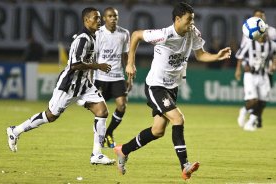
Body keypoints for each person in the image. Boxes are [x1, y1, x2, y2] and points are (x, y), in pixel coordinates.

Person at [113, 2, 231, 180]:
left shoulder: (193, 33)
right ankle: (185, 166)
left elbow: (200, 55)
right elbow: (136, 35)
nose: (191, 23)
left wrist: (216, 56)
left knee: (157, 130)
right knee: (178, 118)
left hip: (171, 87)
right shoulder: (164, 34)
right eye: (188, 19)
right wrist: (130, 63)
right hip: (156, 86)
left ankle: (124, 150)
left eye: (192, 19)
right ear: (177, 19)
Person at [6, 7, 116, 165]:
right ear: (86, 20)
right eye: (95, 18)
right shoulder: (82, 39)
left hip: (84, 85)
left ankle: (96, 155)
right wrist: (97, 66)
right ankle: (15, 131)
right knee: (51, 115)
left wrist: (93, 79)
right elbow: (74, 64)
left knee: (102, 111)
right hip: (69, 85)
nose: (99, 21)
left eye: (99, 18)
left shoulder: (94, 36)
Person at [78, 7, 132, 148]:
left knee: (122, 105)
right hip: (101, 77)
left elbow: (126, 57)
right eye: (110, 16)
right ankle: (99, 137)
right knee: (99, 110)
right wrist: (89, 80)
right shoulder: (98, 34)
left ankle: (109, 132)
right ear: (104, 18)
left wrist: (130, 78)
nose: (113, 18)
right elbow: (92, 58)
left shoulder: (124, 33)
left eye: (115, 16)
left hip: (117, 76)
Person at [235, 9, 276, 128]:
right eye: (257, 16)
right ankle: (245, 112)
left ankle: (254, 121)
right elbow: (242, 52)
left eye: (261, 16)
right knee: (253, 100)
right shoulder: (248, 34)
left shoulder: (272, 33)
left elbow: (274, 53)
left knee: (263, 101)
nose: (260, 18)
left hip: (265, 72)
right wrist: (241, 67)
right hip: (251, 72)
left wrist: (273, 64)